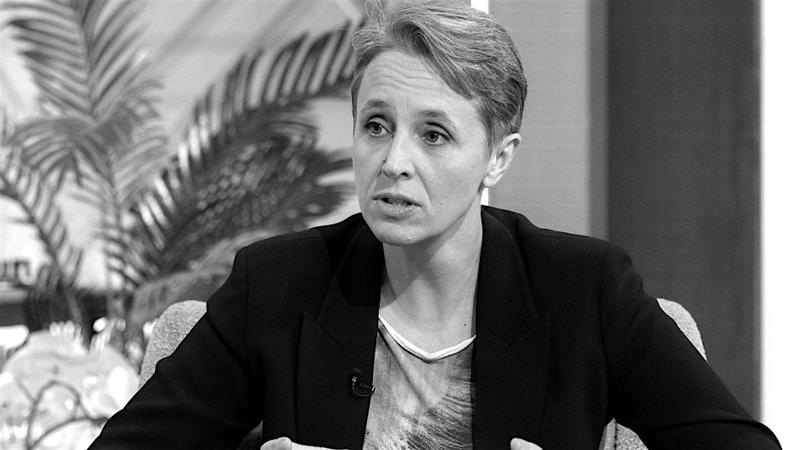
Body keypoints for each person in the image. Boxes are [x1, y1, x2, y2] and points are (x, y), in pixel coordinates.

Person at [89, 1, 781, 449]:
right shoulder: (277, 285)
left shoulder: (586, 290)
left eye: (435, 136)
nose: (394, 162)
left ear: (497, 158)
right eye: (377, 127)